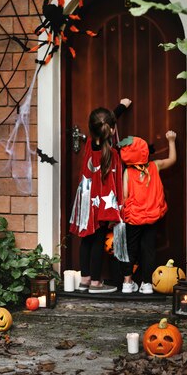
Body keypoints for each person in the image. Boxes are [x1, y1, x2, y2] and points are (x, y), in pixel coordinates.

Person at [69, 99, 132, 293]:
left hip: (87, 201)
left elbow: (103, 123)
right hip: (102, 203)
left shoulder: (89, 144)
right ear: (111, 130)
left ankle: (85, 280)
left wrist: (119, 108)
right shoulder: (112, 152)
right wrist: (121, 107)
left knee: (85, 239)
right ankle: (96, 283)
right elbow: (106, 124)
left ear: (92, 129)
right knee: (98, 240)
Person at [119, 130, 177, 294]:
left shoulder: (128, 172)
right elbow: (172, 160)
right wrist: (171, 141)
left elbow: (124, 195)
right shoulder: (155, 166)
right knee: (149, 249)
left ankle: (127, 283)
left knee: (130, 249)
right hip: (152, 217)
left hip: (133, 218)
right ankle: (146, 284)